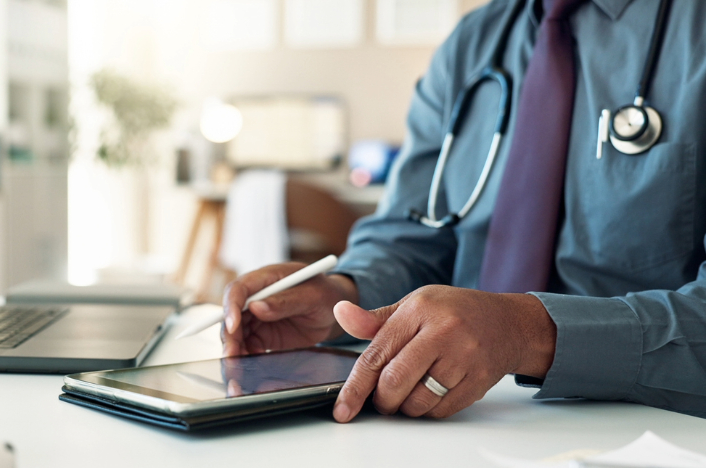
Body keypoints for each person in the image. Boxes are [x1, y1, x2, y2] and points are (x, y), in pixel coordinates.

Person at [221, 0, 706, 422]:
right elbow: (409, 235)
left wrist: (525, 333)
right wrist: (344, 297)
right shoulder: (472, 44)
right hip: (459, 419)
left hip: (648, 429)